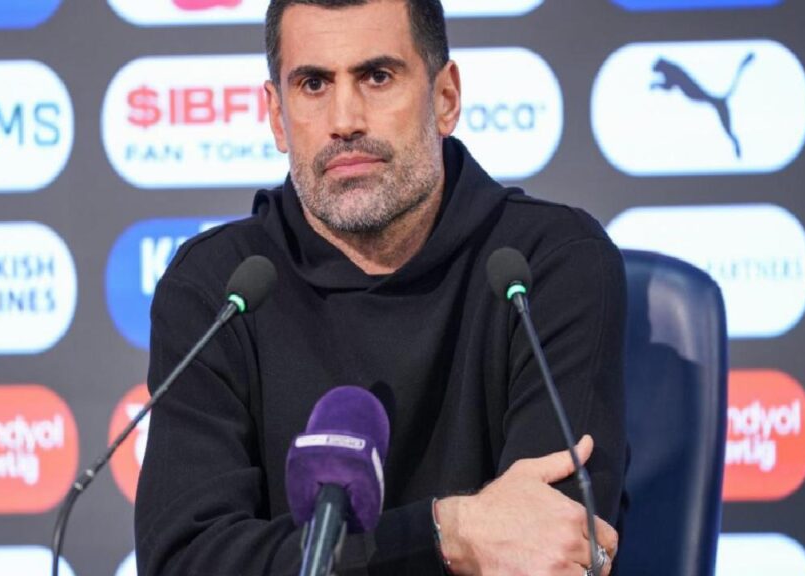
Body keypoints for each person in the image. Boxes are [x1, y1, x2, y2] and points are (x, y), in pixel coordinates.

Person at [135, 0, 627, 574]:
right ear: (277, 117)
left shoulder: (550, 264)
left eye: (377, 76)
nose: (345, 120)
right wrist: (449, 535)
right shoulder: (217, 290)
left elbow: (553, 547)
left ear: (445, 98)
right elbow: (186, 560)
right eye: (314, 84)